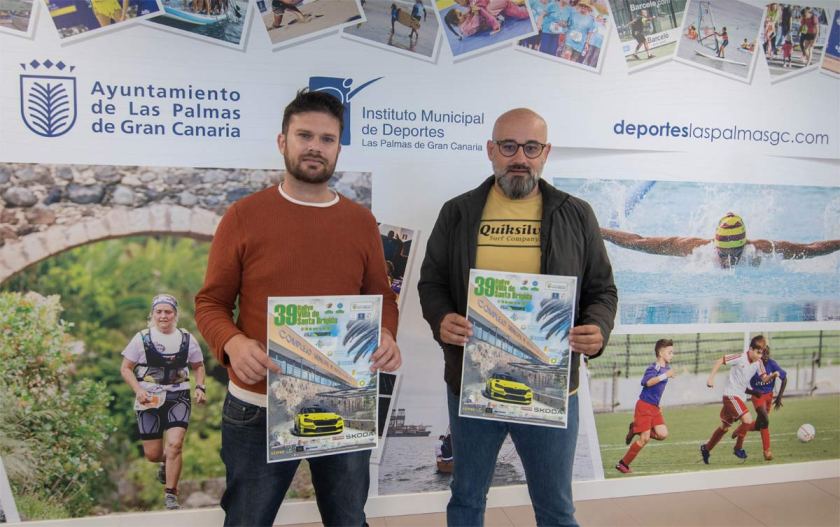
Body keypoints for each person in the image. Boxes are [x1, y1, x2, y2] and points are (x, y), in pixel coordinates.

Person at [194, 89, 401, 527]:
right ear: (282, 141)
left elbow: (381, 296)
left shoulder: (361, 221)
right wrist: (233, 343)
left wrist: (386, 333)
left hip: (343, 399)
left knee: (348, 519)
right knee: (247, 520)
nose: (315, 147)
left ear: (338, 148)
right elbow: (210, 303)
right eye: (304, 135)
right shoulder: (243, 216)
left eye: (327, 139)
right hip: (258, 406)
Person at [417, 108, 617, 526]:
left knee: (556, 506)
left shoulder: (576, 214)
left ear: (546, 152)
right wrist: (442, 319)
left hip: (551, 385)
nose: (520, 158)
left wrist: (597, 328)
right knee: (466, 497)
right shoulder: (457, 212)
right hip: (473, 383)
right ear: (491, 150)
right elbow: (432, 283)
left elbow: (602, 290)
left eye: (531, 147)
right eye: (509, 146)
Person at [119, 294, 207, 510]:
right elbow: (125, 368)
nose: (163, 316)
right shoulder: (142, 338)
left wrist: (200, 387)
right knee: (153, 454)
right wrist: (138, 390)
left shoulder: (187, 339)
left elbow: (198, 365)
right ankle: (164, 462)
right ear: (152, 314)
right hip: (149, 398)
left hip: (178, 396)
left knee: (175, 445)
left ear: (175, 314)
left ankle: (171, 494)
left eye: (168, 312)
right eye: (159, 312)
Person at [600, 212, 840, 269]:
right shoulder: (695, 249)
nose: (728, 261)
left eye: (734, 255)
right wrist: (597, 230)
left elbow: (811, 249)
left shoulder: (761, 251)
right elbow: (639, 241)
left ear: (743, 246)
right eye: (722, 254)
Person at [700, 336, 778, 463]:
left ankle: (706, 448)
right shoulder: (740, 358)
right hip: (730, 395)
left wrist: (772, 376)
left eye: (761, 353)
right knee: (747, 420)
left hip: (740, 397)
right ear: (751, 349)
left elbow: (764, 378)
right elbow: (720, 360)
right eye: (757, 352)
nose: (759, 356)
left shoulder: (758, 363)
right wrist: (710, 378)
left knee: (725, 427)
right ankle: (738, 448)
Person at [616, 339, 675, 474]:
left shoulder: (666, 369)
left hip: (654, 407)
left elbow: (657, 390)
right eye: (670, 352)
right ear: (660, 353)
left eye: (672, 352)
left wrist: (658, 404)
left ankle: (635, 429)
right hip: (644, 406)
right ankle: (623, 464)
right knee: (645, 438)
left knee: (662, 434)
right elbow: (647, 383)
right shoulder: (654, 368)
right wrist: (665, 375)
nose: (672, 355)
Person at [746, 344, 787, 461]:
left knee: (760, 424)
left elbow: (784, 378)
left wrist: (779, 397)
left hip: (769, 396)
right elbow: (741, 381)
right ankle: (767, 451)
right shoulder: (752, 365)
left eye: (767, 353)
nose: (766, 356)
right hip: (757, 395)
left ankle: (743, 427)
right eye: (763, 353)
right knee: (765, 419)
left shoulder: (772, 364)